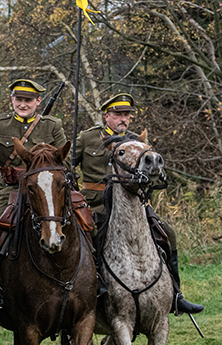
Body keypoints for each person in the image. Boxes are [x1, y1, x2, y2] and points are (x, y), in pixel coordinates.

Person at [74, 93, 203, 315]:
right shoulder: (88, 138)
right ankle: (95, 284)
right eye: (117, 114)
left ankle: (175, 294)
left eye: (126, 115)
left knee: (167, 234)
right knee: (91, 233)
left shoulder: (136, 141)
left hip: (132, 202)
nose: (123, 119)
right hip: (96, 204)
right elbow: (66, 165)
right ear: (107, 116)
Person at [0, 79, 67, 309]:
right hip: (10, 189)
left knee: (79, 220)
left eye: (28, 100)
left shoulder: (52, 125)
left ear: (38, 102)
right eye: (19, 99)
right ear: (12, 100)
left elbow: (63, 158)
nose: (23, 104)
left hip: (46, 187)